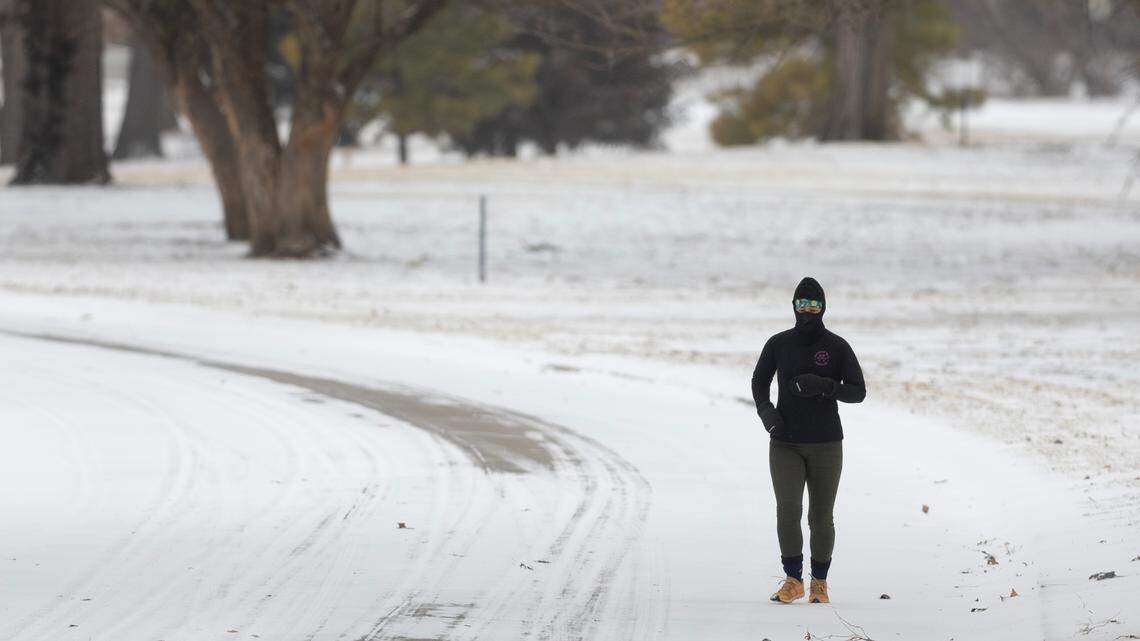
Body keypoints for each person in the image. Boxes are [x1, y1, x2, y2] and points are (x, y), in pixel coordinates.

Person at [751, 277, 866, 604]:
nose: (808, 310)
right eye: (802, 304)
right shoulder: (778, 344)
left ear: (823, 307)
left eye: (814, 304)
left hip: (827, 443)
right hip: (784, 442)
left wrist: (825, 385)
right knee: (787, 510)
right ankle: (792, 579)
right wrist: (767, 414)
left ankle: (819, 583)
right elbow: (759, 382)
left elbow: (858, 392)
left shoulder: (837, 347)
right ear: (794, 307)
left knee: (820, 515)